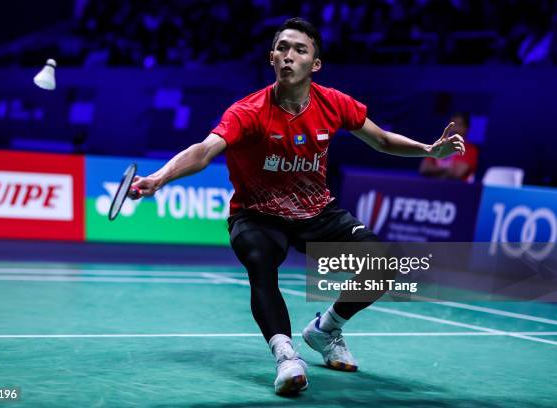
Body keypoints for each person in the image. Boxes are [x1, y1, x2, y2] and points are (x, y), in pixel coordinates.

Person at [130, 17, 465, 395]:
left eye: (299, 50)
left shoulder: (334, 103)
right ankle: (287, 356)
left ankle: (326, 329)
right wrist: (159, 178)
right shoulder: (248, 111)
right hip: (257, 213)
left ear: (315, 64)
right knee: (260, 260)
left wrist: (427, 150)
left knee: (386, 261)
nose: (289, 56)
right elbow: (205, 150)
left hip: (317, 212)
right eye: (282, 48)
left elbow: (383, 141)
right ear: (272, 57)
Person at [419, 112, 478, 182]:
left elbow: (457, 173)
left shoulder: (470, 149)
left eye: (459, 125)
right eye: (452, 125)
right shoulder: (440, 144)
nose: (455, 129)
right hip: (434, 186)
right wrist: (446, 170)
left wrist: (434, 171)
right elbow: (424, 168)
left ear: (466, 128)